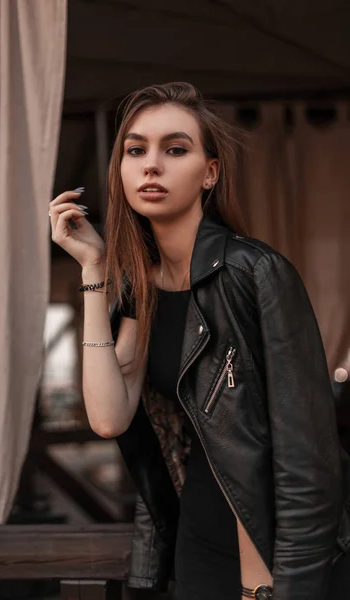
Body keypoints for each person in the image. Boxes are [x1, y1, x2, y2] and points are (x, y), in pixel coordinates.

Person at [49, 82, 350, 600]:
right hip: (196, 546)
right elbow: (107, 417)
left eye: (176, 149)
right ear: (119, 170)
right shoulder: (138, 289)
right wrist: (95, 268)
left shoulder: (255, 273)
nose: (151, 166)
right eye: (136, 150)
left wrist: (295, 585)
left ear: (210, 172)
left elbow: (309, 461)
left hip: (265, 557)